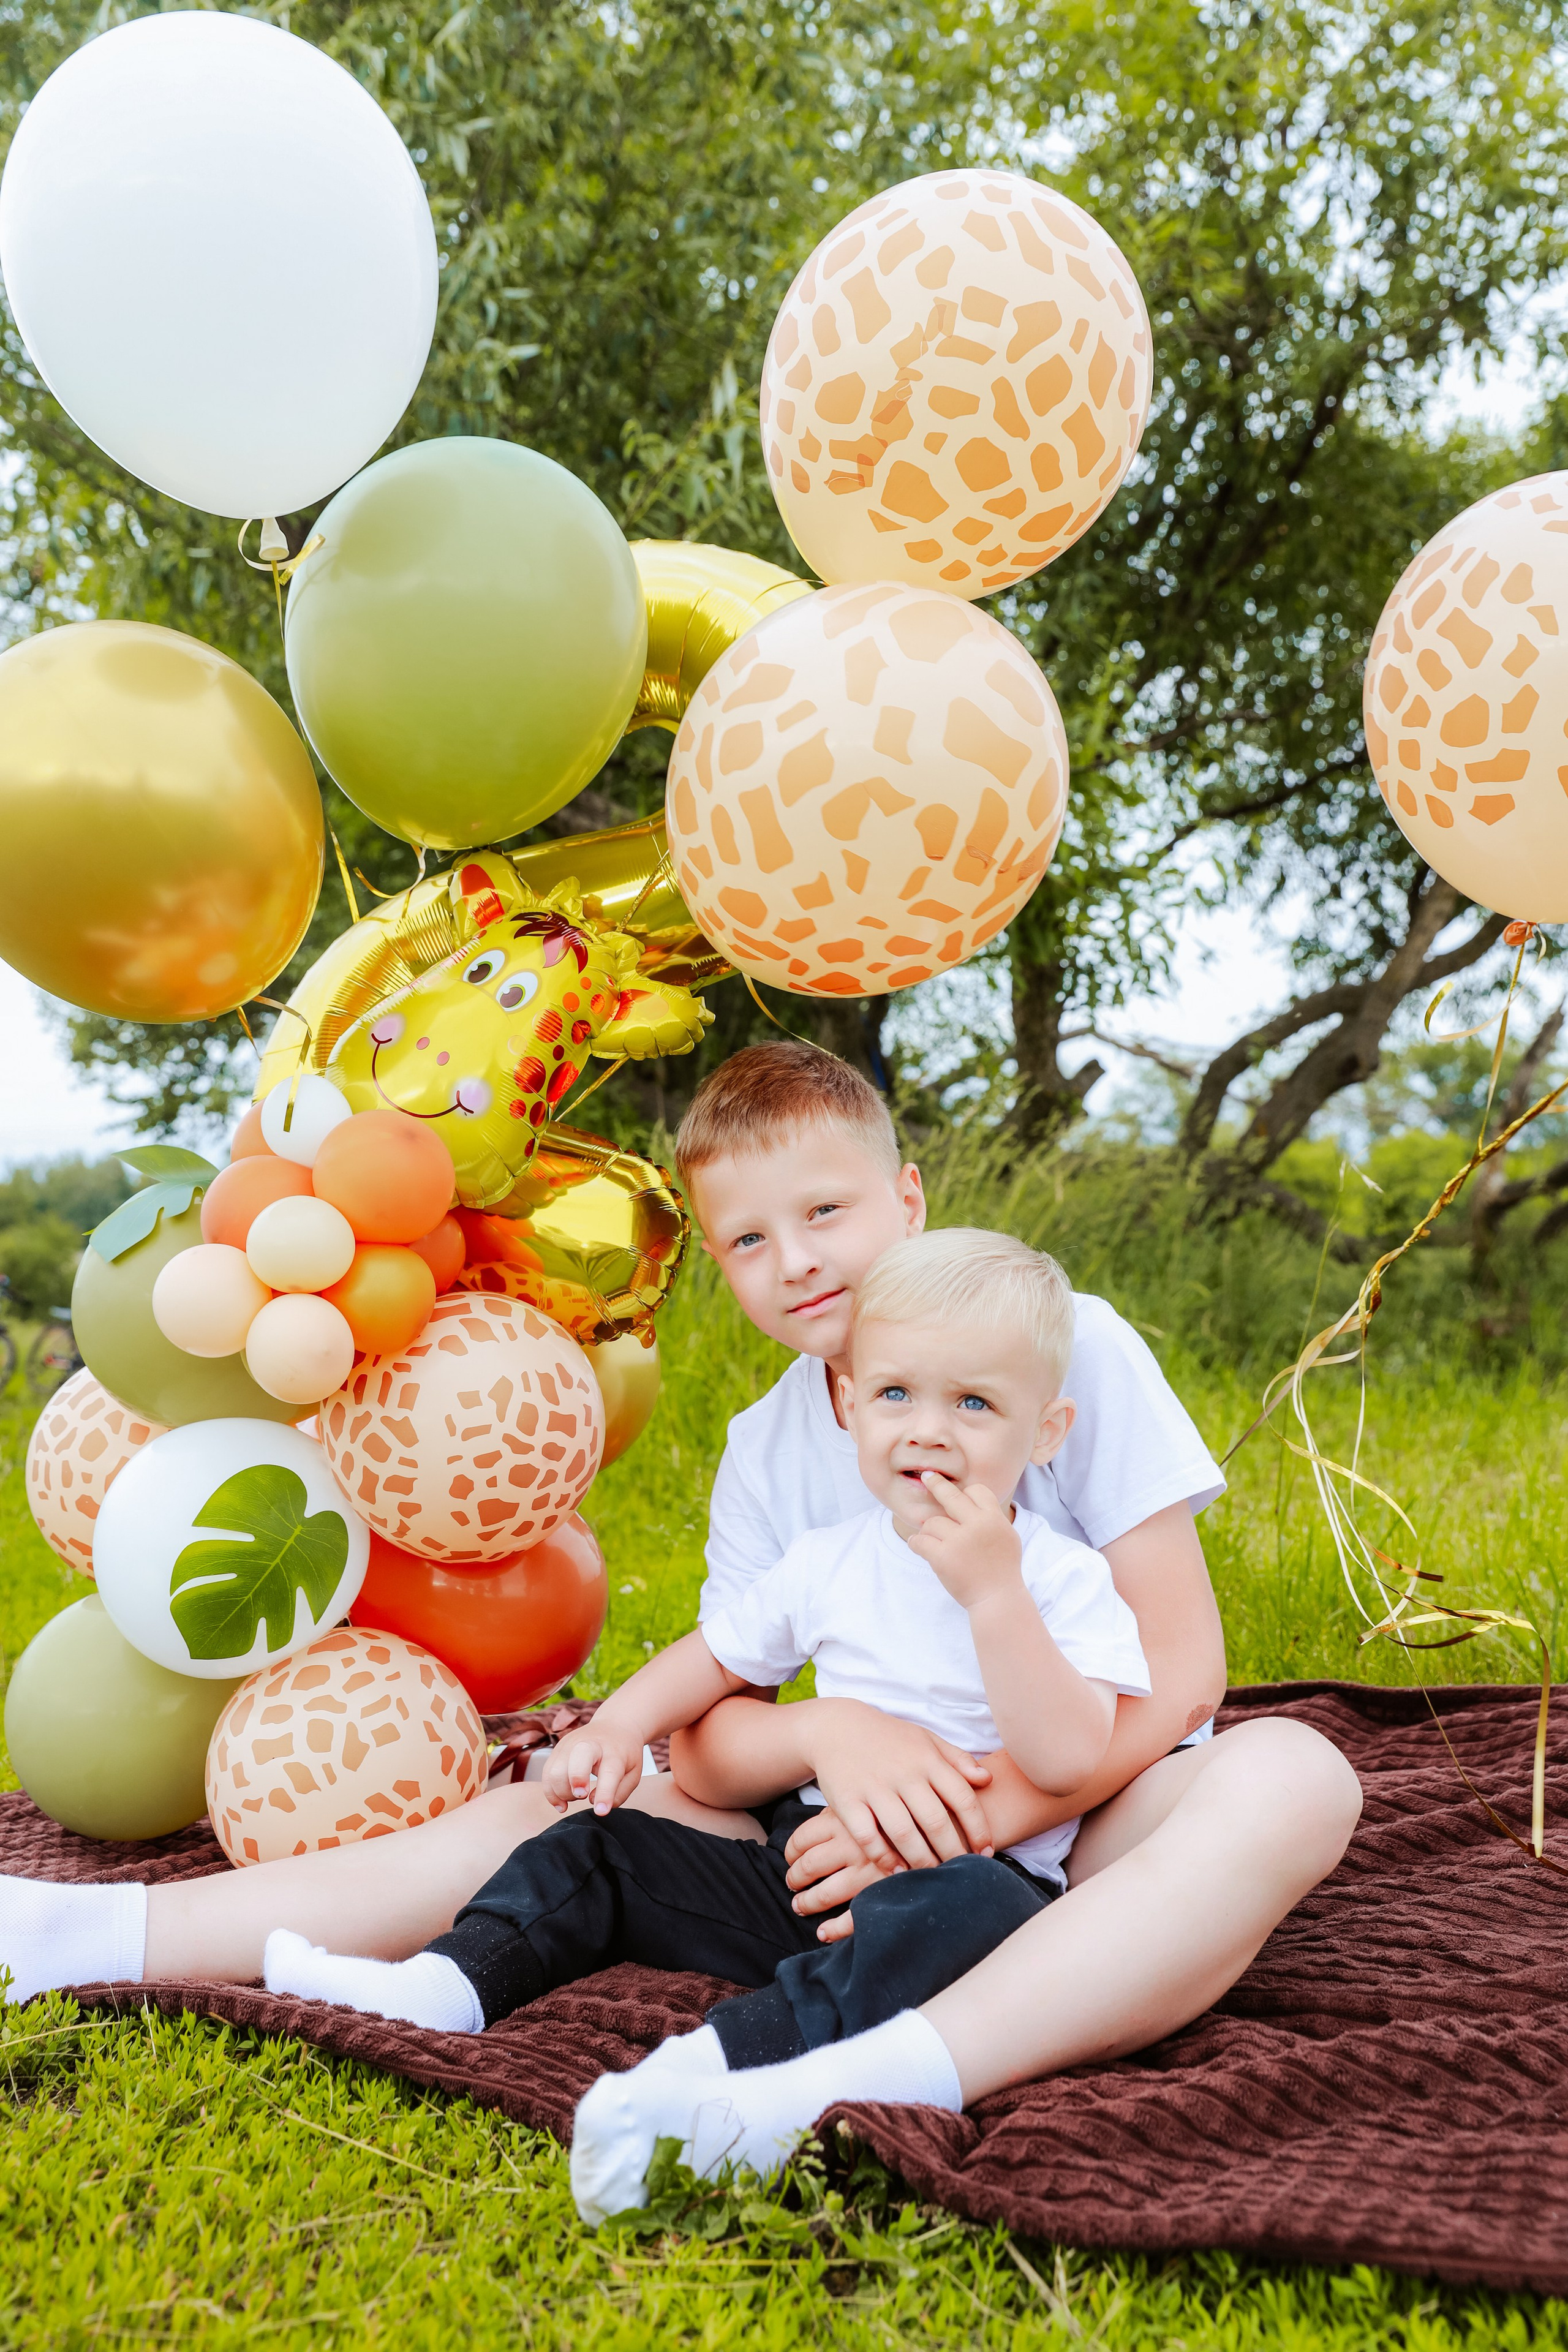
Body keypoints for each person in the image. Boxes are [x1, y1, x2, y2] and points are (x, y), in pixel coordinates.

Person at [0, 1046, 1359, 2195]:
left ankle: (883, 2071)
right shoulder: (773, 1445)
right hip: (836, 1808)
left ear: (906, 1198)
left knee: (1295, 1776)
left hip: (1083, 1791)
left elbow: (1182, 1678)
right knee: (568, 1789)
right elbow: (706, 1741)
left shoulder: (1054, 1344)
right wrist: (835, 1731)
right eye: (749, 1241)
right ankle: (93, 1938)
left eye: (826, 1211)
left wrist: (983, 1812)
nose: (798, 1261)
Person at [262, 1232, 1152, 2216]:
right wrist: (617, 1728)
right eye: (897, 1395)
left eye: (975, 1405)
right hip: (803, 1864)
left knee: (973, 1911)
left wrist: (995, 1598)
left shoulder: (1063, 1581)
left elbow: (1071, 1758)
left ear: (1047, 1430)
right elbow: (719, 1657)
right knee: (598, 1849)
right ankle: (446, 1986)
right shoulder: (830, 1561)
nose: (928, 1432)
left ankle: (719, 2076)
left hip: (968, 1885)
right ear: (851, 1405)